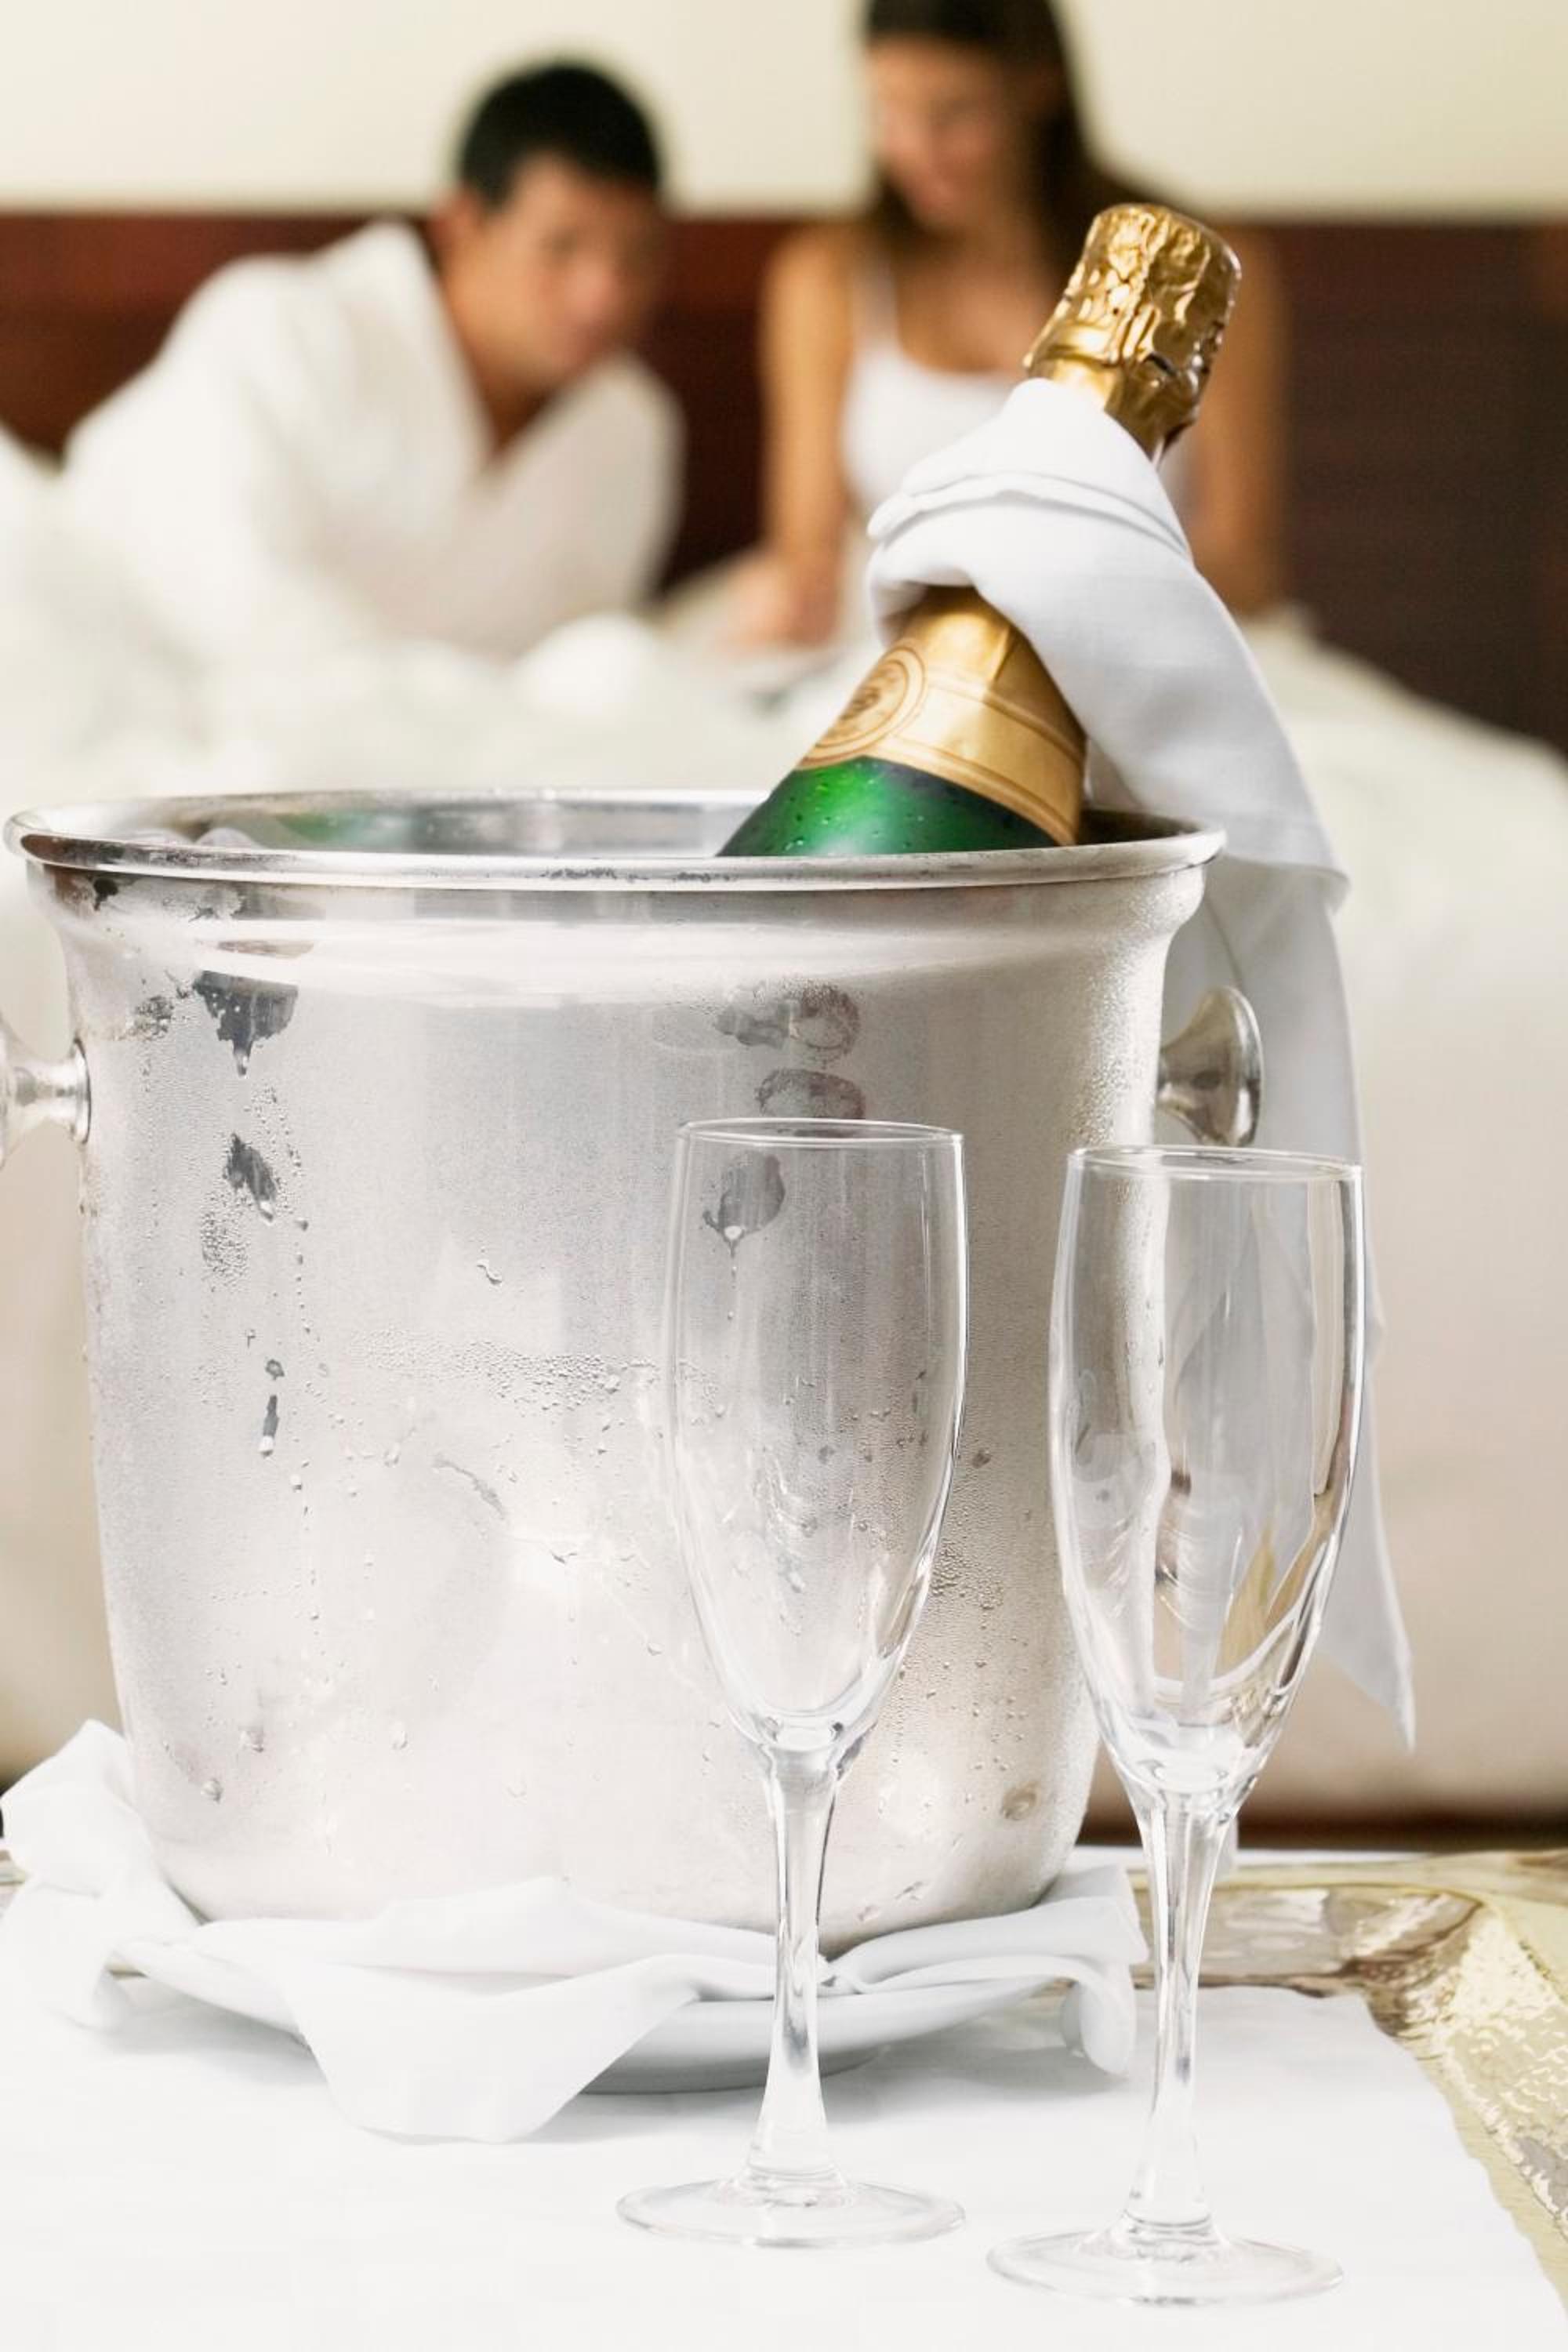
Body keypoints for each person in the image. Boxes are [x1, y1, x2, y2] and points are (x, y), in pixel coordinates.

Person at [61, 63, 681, 670]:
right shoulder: (287, 332)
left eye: (636, 256)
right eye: (561, 247)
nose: (603, 296)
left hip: (415, 727)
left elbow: (573, 669)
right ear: (462, 224)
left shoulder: (629, 430)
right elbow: (229, 598)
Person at [733, 0, 1285, 646]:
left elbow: (1246, 567)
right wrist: (795, 596)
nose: (917, 149)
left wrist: (1062, 608)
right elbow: (808, 552)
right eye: (888, 111)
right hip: (912, 659)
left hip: (1155, 653)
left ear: (1039, 84)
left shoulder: (1196, 278)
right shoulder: (827, 279)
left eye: (955, 112)